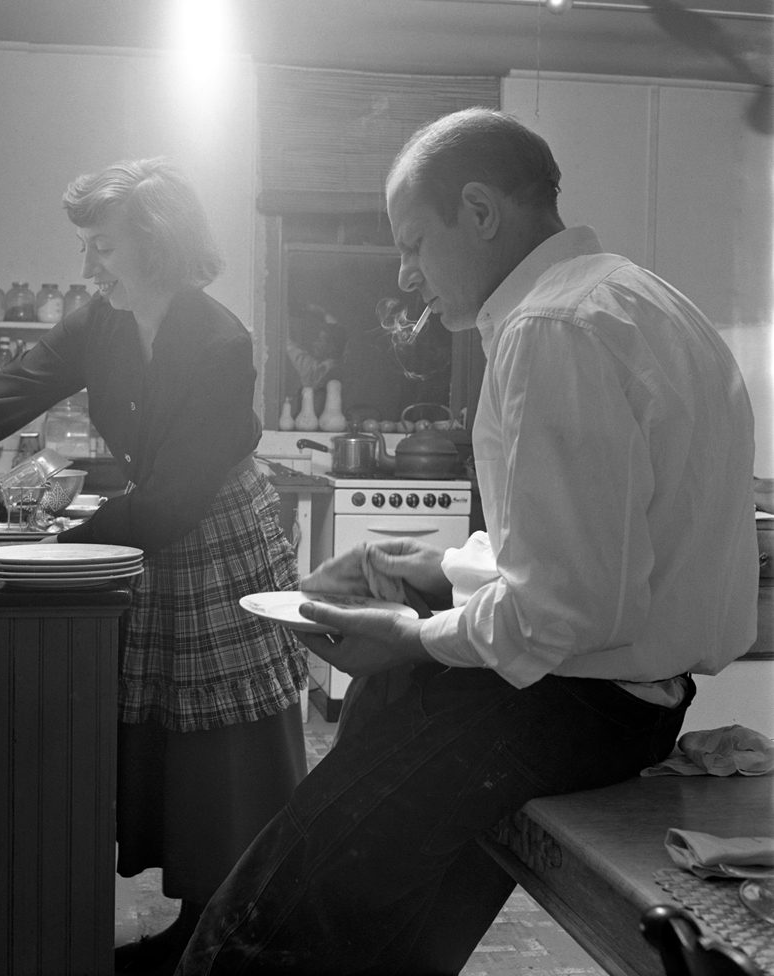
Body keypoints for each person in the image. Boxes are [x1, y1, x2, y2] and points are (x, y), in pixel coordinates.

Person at [173, 107, 759, 975]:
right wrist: (439, 565)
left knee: (259, 934)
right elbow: (602, 559)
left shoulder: (549, 327)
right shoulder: (639, 298)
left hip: (562, 704)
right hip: (631, 701)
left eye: (412, 244)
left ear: (479, 211)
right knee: (403, 936)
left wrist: (409, 636)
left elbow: (565, 607)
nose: (406, 275)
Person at [0, 158, 309, 975]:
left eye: (103, 247)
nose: (87, 266)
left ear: (155, 245)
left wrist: (44, 552)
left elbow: (178, 494)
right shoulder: (101, 323)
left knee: (226, 741)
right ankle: (197, 922)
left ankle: (231, 932)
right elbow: (10, 388)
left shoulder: (220, 341)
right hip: (158, 525)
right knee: (165, 725)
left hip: (218, 533)